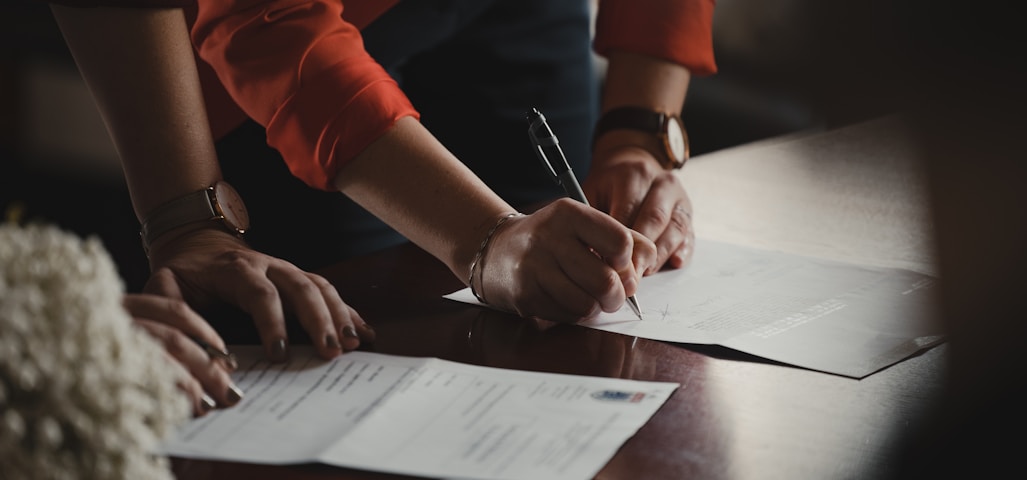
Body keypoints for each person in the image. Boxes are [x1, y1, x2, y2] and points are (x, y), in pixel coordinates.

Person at [47, 0, 715, 368]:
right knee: (349, 350)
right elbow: (263, 19)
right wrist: (483, 237)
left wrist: (637, 131)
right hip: (289, 48)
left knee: (559, 312)